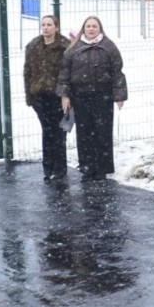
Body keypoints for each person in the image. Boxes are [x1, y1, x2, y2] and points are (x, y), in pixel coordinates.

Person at [57, 16, 127, 183]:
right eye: (88, 26)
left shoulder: (108, 47)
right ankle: (87, 168)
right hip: (80, 97)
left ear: (100, 28)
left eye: (94, 26)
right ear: (84, 29)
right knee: (84, 133)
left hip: (103, 96)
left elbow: (117, 72)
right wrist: (65, 95)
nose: (91, 29)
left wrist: (119, 95)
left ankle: (102, 169)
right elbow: (64, 74)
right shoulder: (73, 49)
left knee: (103, 132)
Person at [24, 14, 71, 183]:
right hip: (39, 96)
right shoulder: (33, 46)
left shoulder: (65, 47)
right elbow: (27, 72)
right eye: (43, 24)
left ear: (56, 27)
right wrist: (29, 95)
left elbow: (68, 74)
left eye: (49, 24)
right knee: (47, 131)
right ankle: (48, 167)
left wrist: (67, 95)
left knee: (59, 132)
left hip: (58, 97)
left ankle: (59, 168)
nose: (46, 27)